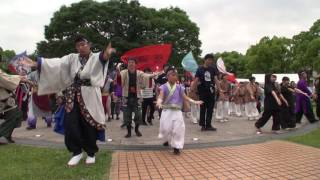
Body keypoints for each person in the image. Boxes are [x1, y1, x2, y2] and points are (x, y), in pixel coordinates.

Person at [22, 35, 115, 166]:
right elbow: (56, 64)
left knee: (89, 124)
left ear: (89, 44)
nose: (81, 47)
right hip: (72, 95)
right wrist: (37, 63)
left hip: (90, 95)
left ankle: (90, 153)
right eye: (78, 45)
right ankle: (76, 152)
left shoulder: (95, 57)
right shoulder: (72, 58)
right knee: (71, 124)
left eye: (83, 44)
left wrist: (106, 53)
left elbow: (102, 59)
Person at [156, 66, 202, 155]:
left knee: (178, 129)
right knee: (166, 128)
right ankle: (166, 139)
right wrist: (159, 101)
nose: (175, 77)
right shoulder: (164, 87)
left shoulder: (180, 87)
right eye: (173, 75)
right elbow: (161, 95)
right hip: (167, 112)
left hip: (177, 112)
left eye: (176, 75)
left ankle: (176, 147)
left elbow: (185, 97)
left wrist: (195, 101)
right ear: (168, 76)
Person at [120, 58, 159, 138]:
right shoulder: (123, 72)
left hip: (136, 97)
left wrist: (152, 74)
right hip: (126, 97)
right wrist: (117, 71)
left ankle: (137, 129)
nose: (131, 64)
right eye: (129, 62)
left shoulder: (139, 73)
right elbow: (119, 79)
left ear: (135, 64)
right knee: (127, 115)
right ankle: (129, 132)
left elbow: (146, 75)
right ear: (127, 64)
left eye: (132, 62)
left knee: (138, 115)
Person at [0, 68, 29, 144]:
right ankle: (5, 133)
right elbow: (5, 80)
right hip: (3, 99)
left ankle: (7, 134)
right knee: (14, 115)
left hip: (5, 98)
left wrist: (18, 77)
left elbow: (6, 77)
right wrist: (19, 78)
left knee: (17, 115)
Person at [192, 54, 219, 131]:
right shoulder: (200, 69)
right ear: (205, 60)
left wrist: (220, 90)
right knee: (203, 108)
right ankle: (203, 125)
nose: (210, 61)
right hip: (202, 91)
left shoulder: (213, 68)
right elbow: (196, 80)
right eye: (209, 59)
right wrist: (193, 90)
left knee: (210, 109)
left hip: (211, 91)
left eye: (211, 60)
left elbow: (216, 79)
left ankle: (209, 125)